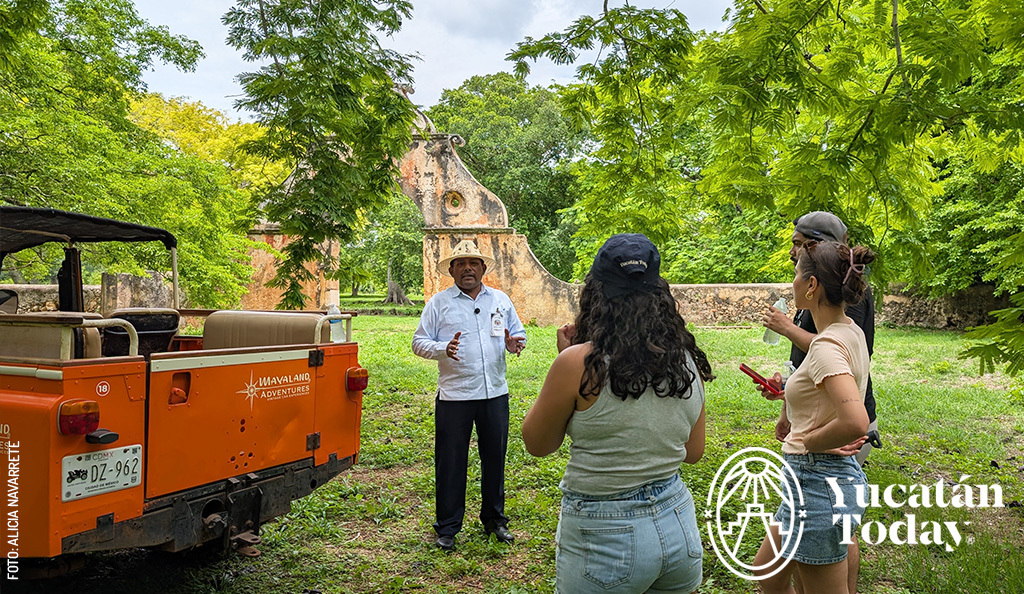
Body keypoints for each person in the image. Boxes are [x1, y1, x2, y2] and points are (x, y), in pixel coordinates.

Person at [521, 234, 713, 594]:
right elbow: (693, 452)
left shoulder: (578, 364)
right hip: (677, 523)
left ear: (595, 294)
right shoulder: (687, 360)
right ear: (660, 294)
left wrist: (570, 357)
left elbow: (538, 443)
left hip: (604, 533)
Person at [753, 240, 875, 594]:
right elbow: (830, 395)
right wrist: (791, 393)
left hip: (817, 484)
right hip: (813, 483)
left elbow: (854, 420)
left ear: (811, 285)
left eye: (796, 274)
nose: (792, 282)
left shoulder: (825, 345)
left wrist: (810, 442)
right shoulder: (848, 330)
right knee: (767, 572)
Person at [412, 240, 526, 551]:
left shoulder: (500, 300)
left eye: (473, 263)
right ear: (451, 269)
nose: (467, 268)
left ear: (483, 268)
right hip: (455, 396)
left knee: (495, 459)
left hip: (495, 394)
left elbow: (517, 333)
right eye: (460, 263)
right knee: (450, 462)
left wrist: (515, 343)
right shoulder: (439, 303)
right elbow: (418, 341)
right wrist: (441, 349)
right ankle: (448, 528)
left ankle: (495, 521)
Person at [762, 211, 878, 465]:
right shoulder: (843, 325)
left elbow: (832, 355)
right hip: (822, 434)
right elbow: (815, 366)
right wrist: (790, 401)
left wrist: (809, 442)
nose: (792, 251)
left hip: (825, 454)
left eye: (798, 244)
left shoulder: (844, 305)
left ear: (812, 284)